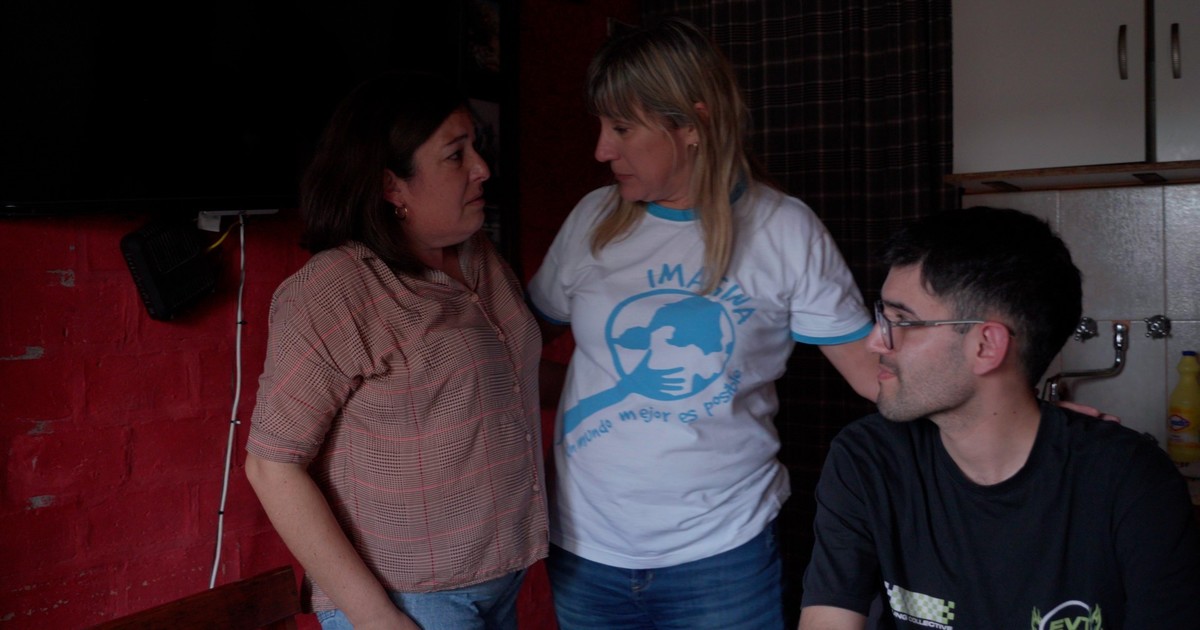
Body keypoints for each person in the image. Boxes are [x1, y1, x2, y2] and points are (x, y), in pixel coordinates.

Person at [527, 18, 880, 629]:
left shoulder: (783, 229)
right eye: (601, 126)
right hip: (586, 552)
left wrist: (1008, 413)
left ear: (691, 124)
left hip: (722, 555)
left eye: (622, 128)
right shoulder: (592, 219)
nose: (602, 150)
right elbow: (511, 349)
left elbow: (878, 377)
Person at [798, 207, 1200, 629]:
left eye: (903, 321)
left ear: (986, 345)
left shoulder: (1129, 481)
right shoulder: (869, 459)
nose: (875, 342)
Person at [244, 72, 547, 630]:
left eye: (476, 147)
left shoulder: (478, 255)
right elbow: (272, 466)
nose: (481, 168)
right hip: (413, 602)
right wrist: (375, 617)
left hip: (502, 578)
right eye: (456, 155)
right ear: (392, 186)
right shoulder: (335, 289)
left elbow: (497, 381)